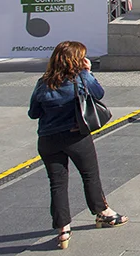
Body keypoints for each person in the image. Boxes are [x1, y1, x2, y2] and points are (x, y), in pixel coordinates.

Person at [29, 41, 128, 249]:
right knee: (89, 175)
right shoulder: (81, 78)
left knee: (56, 183)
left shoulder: (43, 82)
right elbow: (99, 93)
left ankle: (63, 229)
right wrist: (88, 72)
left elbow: (33, 113)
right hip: (75, 137)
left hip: (47, 140)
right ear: (76, 60)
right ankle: (103, 213)